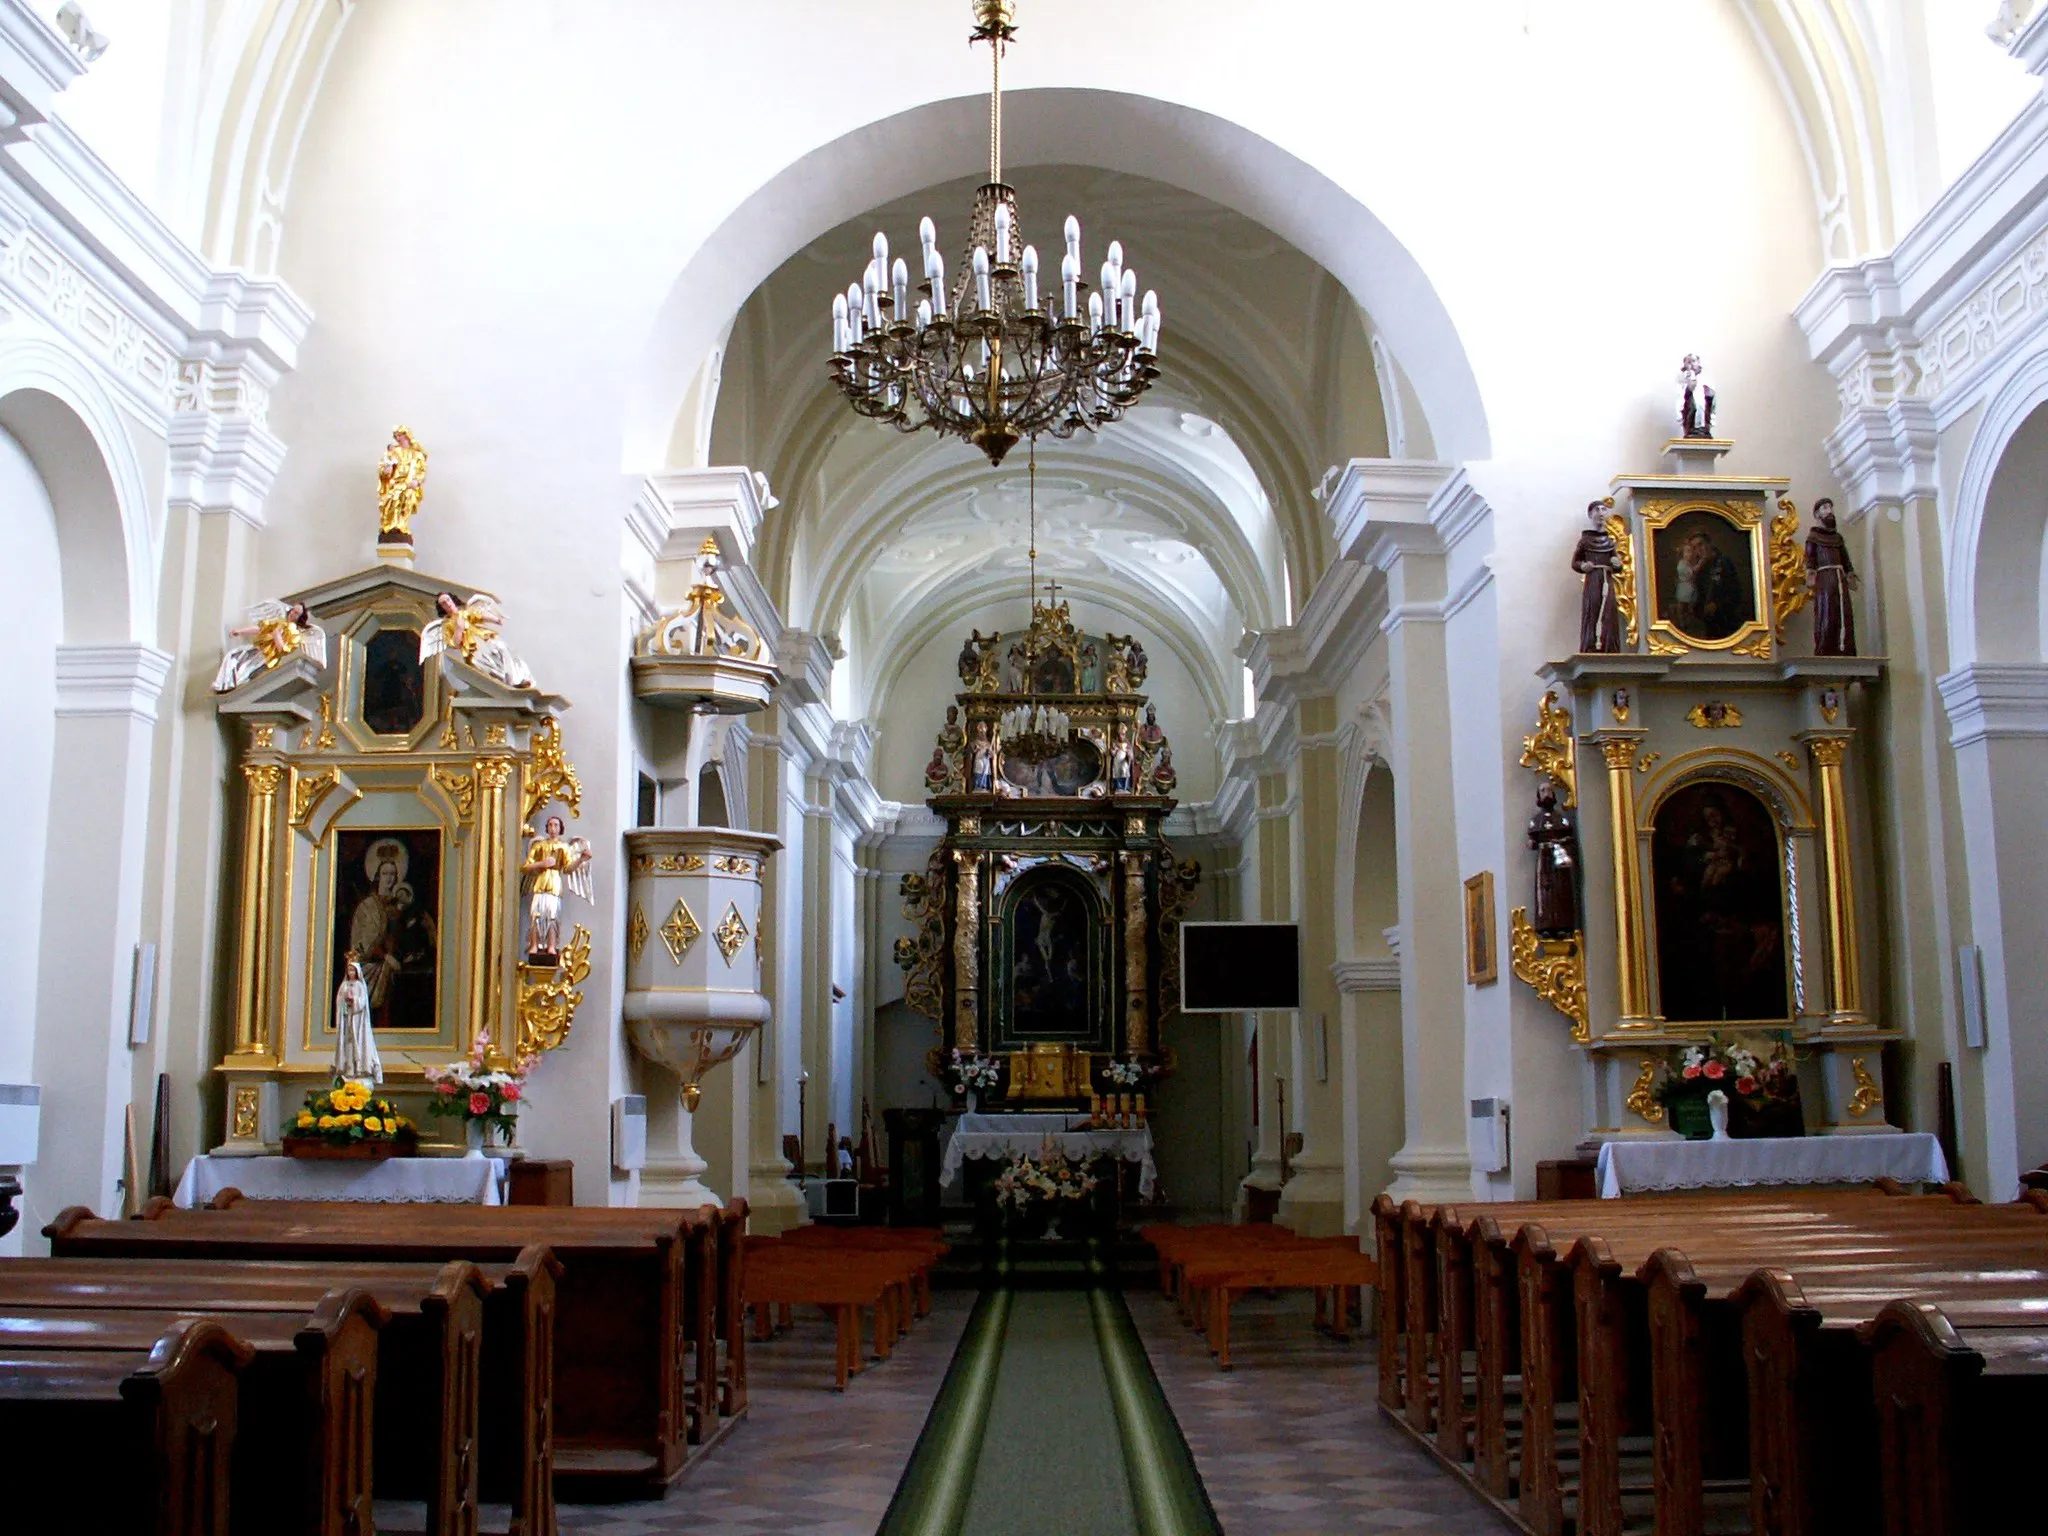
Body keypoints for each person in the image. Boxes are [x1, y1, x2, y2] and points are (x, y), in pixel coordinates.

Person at [422, 591, 534, 688]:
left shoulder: (465, 612)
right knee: (479, 663)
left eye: (448, 600)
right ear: (442, 608)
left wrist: (496, 619)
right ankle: (503, 682)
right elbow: (455, 644)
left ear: (452, 600)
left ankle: (515, 680)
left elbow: (479, 615)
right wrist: (459, 629)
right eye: (443, 603)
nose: (447, 603)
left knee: (501, 647)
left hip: (482, 638)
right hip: (471, 649)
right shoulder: (447, 625)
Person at [522, 814, 593, 962]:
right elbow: (526, 867)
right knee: (536, 915)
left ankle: (551, 946)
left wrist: (580, 860)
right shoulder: (539, 846)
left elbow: (567, 869)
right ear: (547, 828)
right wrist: (542, 864)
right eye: (550, 825)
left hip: (554, 884)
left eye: (556, 825)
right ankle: (534, 945)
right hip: (541, 883)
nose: (553, 828)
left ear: (560, 829)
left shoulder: (564, 847)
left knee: (552, 916)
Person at [213, 600, 326, 692]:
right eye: (293, 610)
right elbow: (260, 629)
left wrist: (277, 635)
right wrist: (240, 631)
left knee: (245, 671)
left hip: (266, 657)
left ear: (300, 617)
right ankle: (223, 683)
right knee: (232, 655)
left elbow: (283, 650)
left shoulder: (295, 634)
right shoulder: (279, 621)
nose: (292, 613)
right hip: (258, 648)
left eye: (296, 613)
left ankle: (235, 688)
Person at [1804, 498, 1859, 656]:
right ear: (1817, 514)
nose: (1829, 511)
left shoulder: (1837, 538)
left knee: (1844, 612)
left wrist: (1849, 573)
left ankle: (1846, 648)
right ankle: (1825, 647)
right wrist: (1810, 573)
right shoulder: (1813, 536)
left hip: (1839, 578)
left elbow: (1845, 559)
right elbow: (1810, 558)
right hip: (1825, 579)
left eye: (1830, 507)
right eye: (1825, 508)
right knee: (1827, 611)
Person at [1570, 502, 1623, 652]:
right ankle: (1591, 646)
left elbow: (1618, 567)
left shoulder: (1609, 541)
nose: (1601, 513)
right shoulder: (1585, 540)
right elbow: (1575, 562)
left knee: (1609, 610)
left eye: (1603, 509)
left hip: (1607, 579)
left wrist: (1617, 564)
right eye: (1597, 510)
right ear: (1590, 515)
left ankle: (1609, 646)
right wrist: (1583, 566)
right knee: (1593, 609)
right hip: (1593, 580)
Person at [1526, 783, 1578, 937]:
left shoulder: (1560, 819)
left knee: (1561, 889)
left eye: (1549, 790)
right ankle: (1546, 925)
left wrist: (1562, 843)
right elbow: (1532, 839)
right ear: (1538, 796)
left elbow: (1569, 837)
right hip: (1544, 859)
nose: (1546, 793)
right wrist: (1532, 843)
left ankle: (1563, 924)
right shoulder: (1536, 820)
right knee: (1544, 891)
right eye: (1542, 791)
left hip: (1558, 857)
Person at [332, 952, 382, 1085]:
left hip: (358, 1021)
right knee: (348, 1044)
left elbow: (363, 1002)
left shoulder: (360, 986)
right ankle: (349, 1069)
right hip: (347, 1020)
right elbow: (339, 1001)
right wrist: (344, 1001)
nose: (351, 972)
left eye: (353, 970)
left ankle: (359, 1069)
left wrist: (353, 1000)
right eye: (349, 970)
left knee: (358, 1044)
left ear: (357, 971)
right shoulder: (344, 985)